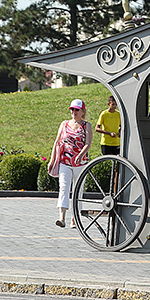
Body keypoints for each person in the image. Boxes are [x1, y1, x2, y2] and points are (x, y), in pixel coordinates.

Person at [49, 98, 92, 228]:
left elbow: (88, 144)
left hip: (80, 163)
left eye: (76, 110)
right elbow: (57, 142)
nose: (74, 112)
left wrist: (80, 155)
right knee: (64, 187)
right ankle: (61, 217)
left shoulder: (86, 125)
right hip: (65, 162)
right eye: (72, 109)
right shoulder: (64, 124)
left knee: (78, 191)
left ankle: (75, 218)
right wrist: (52, 160)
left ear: (82, 111)